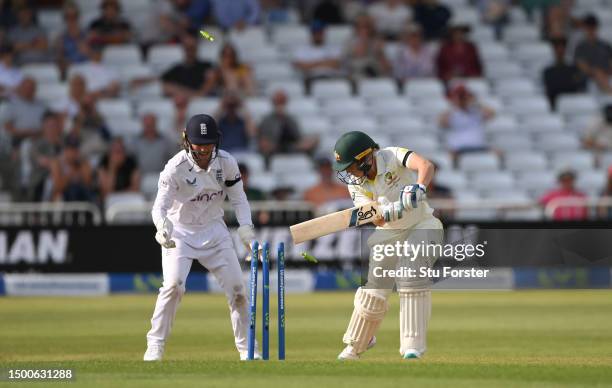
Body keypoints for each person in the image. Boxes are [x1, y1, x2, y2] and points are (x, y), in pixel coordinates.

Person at [144, 114, 260, 361]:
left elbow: (239, 199)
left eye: (208, 144)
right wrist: (162, 227)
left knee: (239, 290)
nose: (205, 149)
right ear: (187, 141)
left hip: (214, 231)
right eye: (199, 144)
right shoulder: (174, 168)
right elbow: (159, 208)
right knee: (173, 286)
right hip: (180, 233)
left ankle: (248, 350)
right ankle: (155, 346)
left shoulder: (227, 162)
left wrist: (246, 229)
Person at [331, 131, 443, 360]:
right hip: (388, 232)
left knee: (412, 274)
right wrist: (391, 210)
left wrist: (419, 187)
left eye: (350, 166)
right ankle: (357, 344)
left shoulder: (392, 155)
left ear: (365, 158)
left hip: (423, 224)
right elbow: (377, 219)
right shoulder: (355, 185)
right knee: (374, 291)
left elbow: (426, 165)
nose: (348, 172)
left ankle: (412, 347)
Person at [439, 84, 494, 156]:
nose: (463, 99)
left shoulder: (476, 111)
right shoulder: (452, 113)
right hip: (459, 148)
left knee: (497, 153)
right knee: (450, 156)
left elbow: (491, 114)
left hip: (479, 145)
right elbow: (442, 122)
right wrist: (455, 104)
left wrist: (475, 102)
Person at [258, 89, 318, 156]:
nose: (280, 105)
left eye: (282, 101)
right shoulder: (266, 121)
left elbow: (299, 138)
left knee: (314, 139)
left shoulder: (291, 120)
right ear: (273, 103)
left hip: (292, 149)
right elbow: (263, 142)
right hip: (274, 152)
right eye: (277, 102)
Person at [161, 31, 213, 99]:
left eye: (192, 47)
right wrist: (195, 95)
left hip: (202, 104)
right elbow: (166, 87)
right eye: (187, 48)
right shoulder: (176, 70)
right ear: (183, 48)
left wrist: (181, 92)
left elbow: (211, 83)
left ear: (196, 47)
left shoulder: (206, 66)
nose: (189, 51)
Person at [292, 21, 343, 90]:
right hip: (311, 79)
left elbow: (337, 64)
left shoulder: (333, 48)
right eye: (315, 32)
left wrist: (311, 64)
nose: (317, 35)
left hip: (331, 78)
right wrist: (325, 62)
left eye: (320, 32)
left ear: (323, 33)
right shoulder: (302, 49)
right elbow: (300, 66)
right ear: (311, 34)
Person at [27, 112, 64, 201]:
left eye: (54, 125)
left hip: (64, 177)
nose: (52, 129)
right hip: (41, 178)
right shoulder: (37, 144)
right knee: (54, 166)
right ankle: (56, 198)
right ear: (43, 126)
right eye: (49, 126)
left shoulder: (63, 142)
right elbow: (40, 161)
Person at [543, 37, 587, 110]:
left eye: (562, 49)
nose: (560, 51)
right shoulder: (548, 71)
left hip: (574, 103)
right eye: (557, 49)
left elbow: (579, 85)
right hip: (556, 105)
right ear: (554, 50)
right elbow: (551, 89)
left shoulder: (573, 69)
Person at [342, 13, 390, 79]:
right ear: (356, 28)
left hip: (373, 74)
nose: (363, 29)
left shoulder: (377, 42)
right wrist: (363, 42)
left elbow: (387, 67)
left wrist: (379, 52)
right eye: (360, 26)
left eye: (366, 26)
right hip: (355, 73)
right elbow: (357, 54)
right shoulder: (349, 42)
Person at [573, 14, 612, 93]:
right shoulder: (580, 47)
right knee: (598, 74)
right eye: (588, 27)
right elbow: (582, 66)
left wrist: (606, 72)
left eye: (593, 27)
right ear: (585, 28)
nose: (591, 30)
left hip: (606, 75)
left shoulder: (605, 45)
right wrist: (596, 72)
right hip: (588, 78)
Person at [49, 136, 95, 202]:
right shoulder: (57, 163)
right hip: (62, 198)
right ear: (65, 150)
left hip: (80, 197)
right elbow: (57, 188)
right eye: (70, 149)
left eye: (75, 149)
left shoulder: (83, 163)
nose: (73, 152)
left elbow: (88, 184)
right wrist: (70, 175)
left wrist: (79, 167)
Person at [55, 3, 89, 75]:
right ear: (65, 19)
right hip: (70, 70)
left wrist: (88, 52)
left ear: (78, 17)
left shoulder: (88, 36)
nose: (71, 20)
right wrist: (60, 53)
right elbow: (59, 60)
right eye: (68, 17)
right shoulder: (60, 38)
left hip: (86, 70)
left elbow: (97, 59)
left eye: (74, 17)